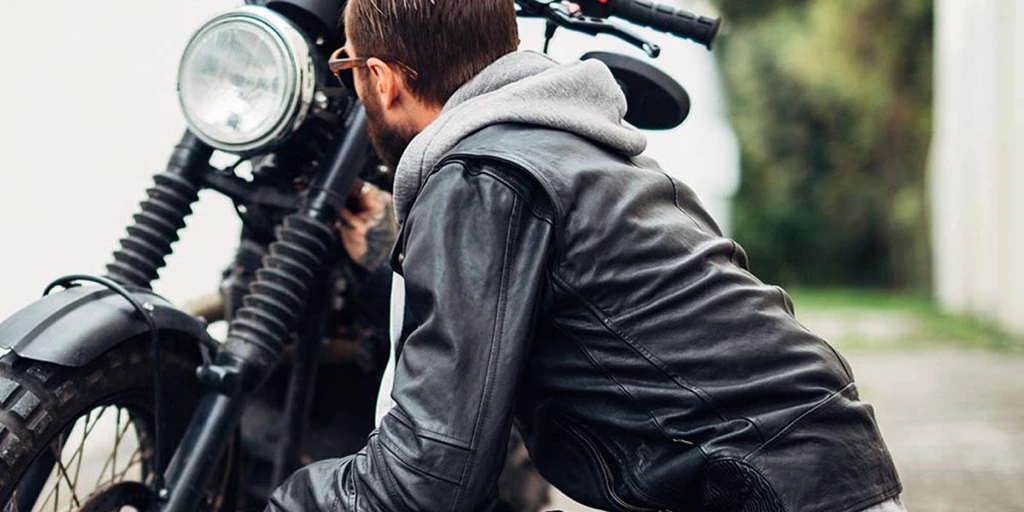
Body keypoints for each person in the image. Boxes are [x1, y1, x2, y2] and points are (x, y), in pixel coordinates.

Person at [267, 1, 905, 511]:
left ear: (380, 79)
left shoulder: (482, 176)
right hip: (809, 467)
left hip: (760, 487)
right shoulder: (565, 145)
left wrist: (289, 500)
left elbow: (433, 479)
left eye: (348, 68)